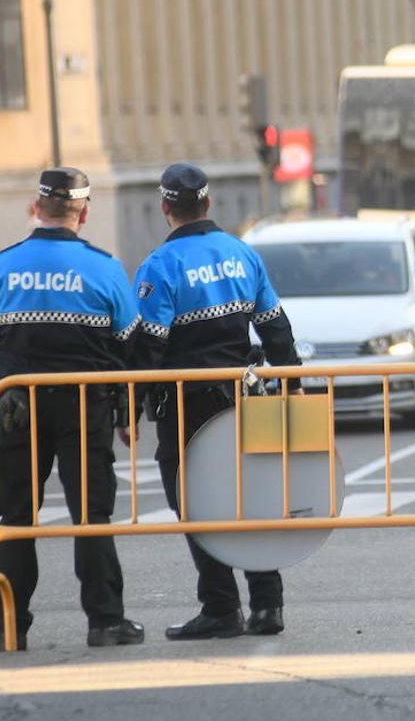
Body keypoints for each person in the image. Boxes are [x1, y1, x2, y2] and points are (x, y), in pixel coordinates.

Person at [0, 167, 145, 651]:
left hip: (17, 405)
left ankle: (8, 626)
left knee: (15, 517)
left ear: (36, 208)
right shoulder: (105, 267)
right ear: (84, 212)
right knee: (91, 515)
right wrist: (126, 411)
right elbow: (126, 343)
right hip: (84, 406)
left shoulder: (1, 265)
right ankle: (105, 622)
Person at [131, 163, 301, 640]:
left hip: (186, 407)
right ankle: (268, 606)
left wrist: (129, 411)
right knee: (253, 500)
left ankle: (221, 607)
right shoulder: (243, 255)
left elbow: (148, 347)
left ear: (166, 209)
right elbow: (275, 329)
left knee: (194, 504)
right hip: (246, 398)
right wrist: (293, 389)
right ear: (207, 204)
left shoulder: (160, 266)